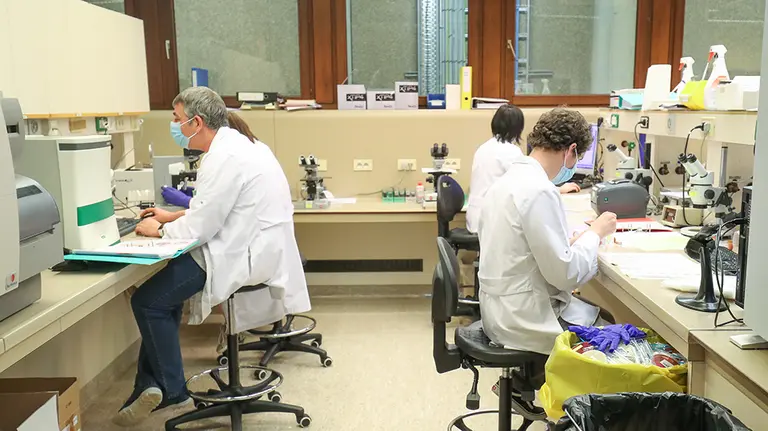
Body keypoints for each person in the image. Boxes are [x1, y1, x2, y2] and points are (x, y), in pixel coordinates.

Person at [114, 87, 310, 426]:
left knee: (148, 301)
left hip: (237, 253)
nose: (174, 126)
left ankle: (172, 390)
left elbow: (204, 225)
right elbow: (217, 207)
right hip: (250, 244)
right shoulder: (242, 145)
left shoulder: (223, 157)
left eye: (177, 119)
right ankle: (147, 386)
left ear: (196, 121)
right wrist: (172, 217)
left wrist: (157, 231)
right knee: (161, 297)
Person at [477, 108, 616, 414]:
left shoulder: (511, 179)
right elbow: (565, 275)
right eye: (576, 158)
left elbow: (525, 249)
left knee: (596, 314)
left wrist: (570, 243)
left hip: (499, 307)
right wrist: (595, 234)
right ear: (571, 151)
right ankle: (571, 415)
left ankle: (524, 382)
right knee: (609, 330)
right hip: (520, 315)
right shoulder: (538, 190)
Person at [465, 104, 580, 234]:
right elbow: (529, 188)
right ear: (518, 128)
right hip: (489, 223)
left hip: (476, 216)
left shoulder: (483, 148)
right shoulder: (511, 152)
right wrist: (559, 189)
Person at [161, 111, 258, 208]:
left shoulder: (228, 157)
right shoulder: (250, 149)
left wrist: (187, 201)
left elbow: (213, 210)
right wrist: (198, 196)